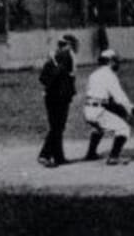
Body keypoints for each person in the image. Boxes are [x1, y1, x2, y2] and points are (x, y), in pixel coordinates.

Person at [83, 49, 134, 165]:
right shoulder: (110, 75)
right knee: (124, 129)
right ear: (110, 61)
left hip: (88, 110)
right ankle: (113, 157)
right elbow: (119, 96)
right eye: (116, 61)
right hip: (98, 110)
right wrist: (131, 108)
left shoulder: (94, 74)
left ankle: (91, 154)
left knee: (98, 127)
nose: (117, 63)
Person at [37, 34, 78, 168]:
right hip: (59, 96)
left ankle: (58, 157)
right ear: (69, 45)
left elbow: (42, 78)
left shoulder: (54, 56)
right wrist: (60, 84)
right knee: (57, 127)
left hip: (51, 95)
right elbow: (62, 74)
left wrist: (50, 87)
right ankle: (44, 155)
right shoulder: (67, 56)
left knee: (57, 127)